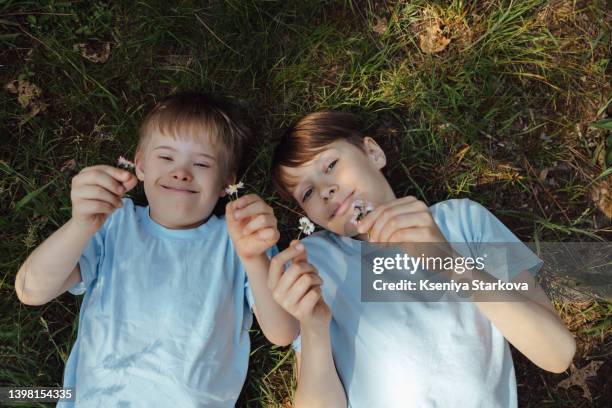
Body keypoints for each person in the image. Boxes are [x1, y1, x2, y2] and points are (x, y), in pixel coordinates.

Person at [267, 111, 576, 407]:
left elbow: (557, 353)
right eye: (306, 193)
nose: (324, 190)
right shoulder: (317, 263)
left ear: (373, 153)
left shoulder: (462, 220)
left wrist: (450, 264)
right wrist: (313, 328)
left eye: (331, 164)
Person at [14, 92, 298, 407]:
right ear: (140, 165)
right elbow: (30, 291)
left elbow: (283, 333)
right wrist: (79, 225)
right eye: (166, 157)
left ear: (226, 183)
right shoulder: (113, 222)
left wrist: (254, 259)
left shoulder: (240, 240)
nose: (181, 172)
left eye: (202, 163)